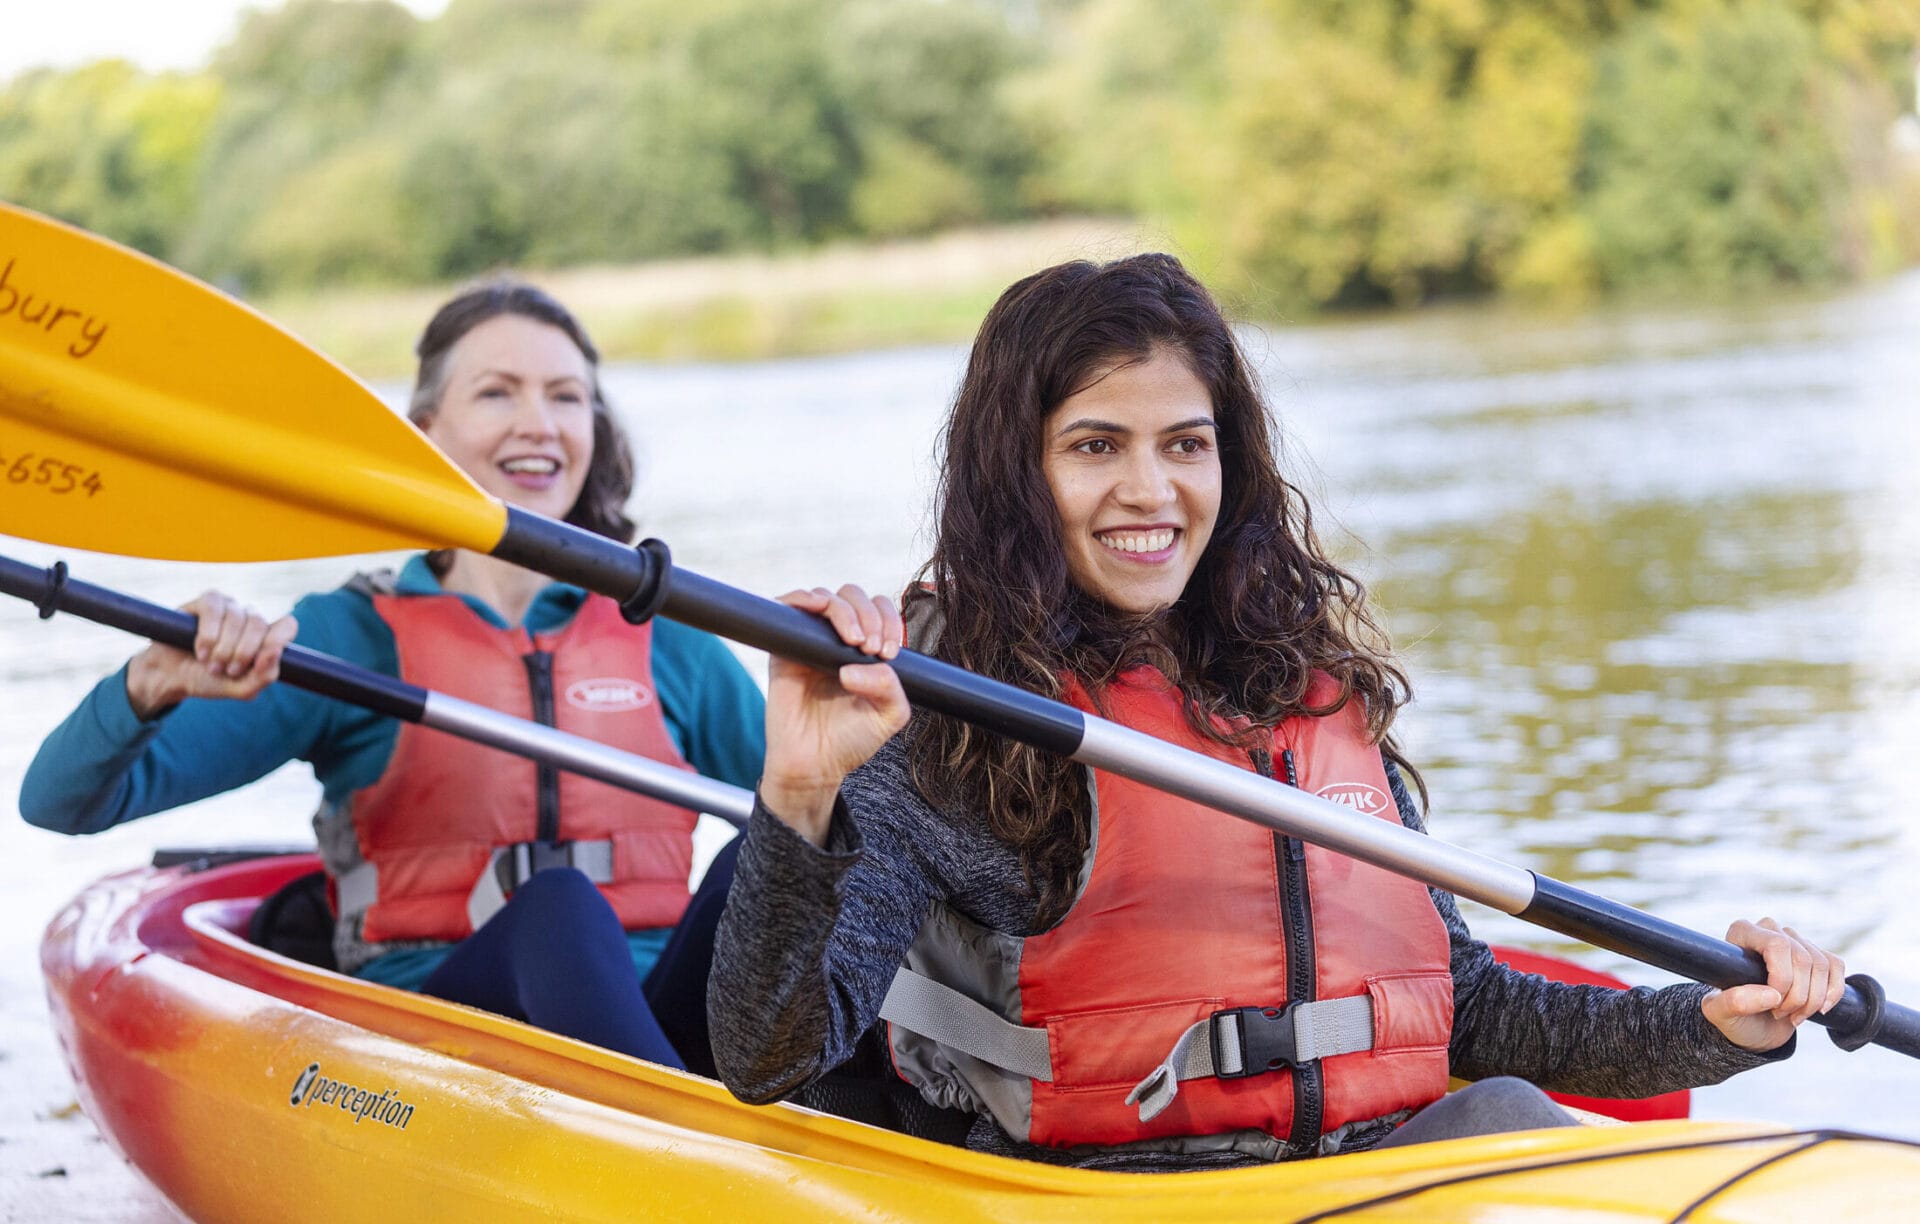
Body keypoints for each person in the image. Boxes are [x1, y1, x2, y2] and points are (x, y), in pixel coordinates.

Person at [708, 254, 1846, 1167]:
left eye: (1185, 446)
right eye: (1095, 447)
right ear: (1018, 473)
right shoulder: (952, 726)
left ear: (1230, 464)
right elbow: (768, 1054)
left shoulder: (1295, 683)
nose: (1151, 492)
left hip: (1360, 1179)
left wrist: (1712, 1025)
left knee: (1500, 1108)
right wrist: (801, 791)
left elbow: (1468, 1010)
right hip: (1110, 1205)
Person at [20, 280, 764, 1076]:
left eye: (566, 397)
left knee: (767, 858)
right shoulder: (353, 639)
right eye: (496, 393)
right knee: (559, 907)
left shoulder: (667, 639)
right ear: (426, 434)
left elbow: (838, 822)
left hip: (653, 1025)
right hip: (437, 1040)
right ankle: (693, 1158)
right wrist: (149, 684)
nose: (539, 424)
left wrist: (848, 686)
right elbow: (60, 802)